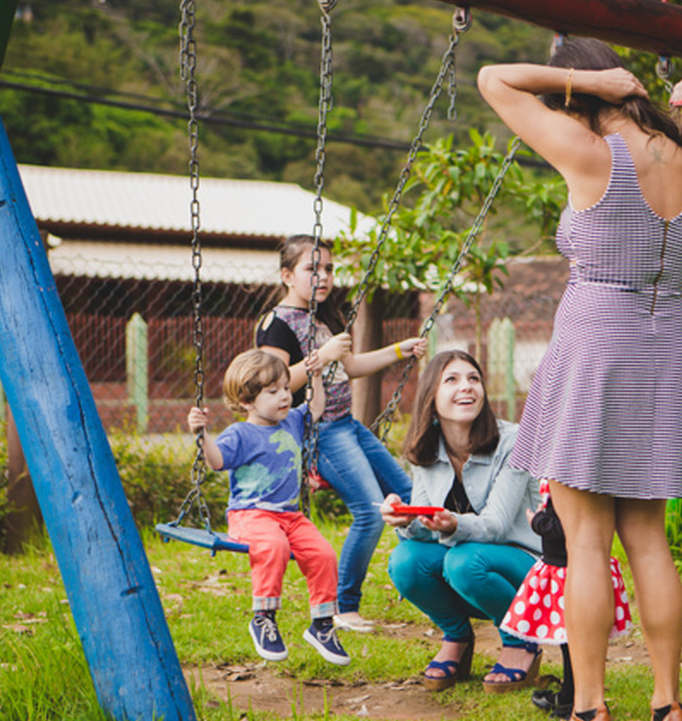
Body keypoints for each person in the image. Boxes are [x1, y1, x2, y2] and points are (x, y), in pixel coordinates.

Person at [477, 37, 682, 721]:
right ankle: (668, 705)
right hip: (663, 344)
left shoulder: (591, 154)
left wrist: (584, 77)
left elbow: (494, 78)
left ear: (574, 98)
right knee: (649, 538)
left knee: (585, 541)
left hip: (597, 345)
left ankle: (587, 712)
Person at [256, 234, 428, 633]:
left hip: (347, 424)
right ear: (287, 275)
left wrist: (400, 350)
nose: (324, 276)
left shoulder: (324, 317)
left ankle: (424, 579)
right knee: (370, 511)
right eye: (312, 269)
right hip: (318, 431)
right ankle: (342, 607)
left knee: (407, 498)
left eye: (329, 268)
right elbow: (271, 382)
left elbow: (348, 366)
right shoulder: (276, 324)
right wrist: (320, 358)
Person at [381, 350, 542, 693]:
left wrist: (453, 525)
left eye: (473, 379)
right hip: (467, 561)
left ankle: (519, 640)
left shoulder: (513, 442)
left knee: (465, 560)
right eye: (451, 380)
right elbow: (424, 529)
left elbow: (497, 526)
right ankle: (457, 635)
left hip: (526, 562)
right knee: (405, 561)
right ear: (431, 397)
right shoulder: (425, 449)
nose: (466, 387)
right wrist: (405, 520)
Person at [187, 348, 350, 666]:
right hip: (251, 515)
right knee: (273, 546)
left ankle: (322, 624)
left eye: (286, 388)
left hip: (290, 515)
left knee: (324, 554)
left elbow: (315, 407)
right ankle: (263, 617)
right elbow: (217, 461)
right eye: (272, 391)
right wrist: (201, 434)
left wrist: (315, 373)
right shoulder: (241, 433)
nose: (284, 396)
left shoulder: (291, 421)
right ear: (247, 401)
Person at [500, 480, 632, 720]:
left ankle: (574, 703)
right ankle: (571, 694)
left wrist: (538, 522)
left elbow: (571, 526)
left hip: (569, 573)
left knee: (573, 641)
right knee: (569, 643)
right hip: (570, 570)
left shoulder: (569, 474)